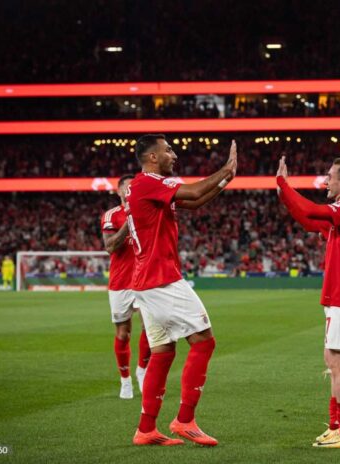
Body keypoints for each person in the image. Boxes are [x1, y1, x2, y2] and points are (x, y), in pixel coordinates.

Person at [127, 134, 237, 446]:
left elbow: (196, 199)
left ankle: (146, 428)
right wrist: (225, 169)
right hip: (160, 278)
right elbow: (193, 189)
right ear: (151, 157)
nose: (174, 155)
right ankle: (185, 420)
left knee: (163, 351)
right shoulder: (148, 181)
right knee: (204, 341)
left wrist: (225, 181)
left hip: (146, 280)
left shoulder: (148, 186)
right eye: (168, 150)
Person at [276, 156, 340, 448]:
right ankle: (336, 426)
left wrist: (283, 183)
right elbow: (307, 219)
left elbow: (312, 209)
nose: (325, 180)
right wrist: (285, 194)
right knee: (333, 362)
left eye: (330, 176)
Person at [101, 174, 151, 399]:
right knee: (123, 334)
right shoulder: (112, 215)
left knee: (151, 328)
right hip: (121, 282)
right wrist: (129, 223)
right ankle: (125, 381)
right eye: (127, 187)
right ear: (119, 191)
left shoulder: (149, 211)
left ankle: (142, 370)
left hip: (146, 279)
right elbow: (110, 247)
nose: (131, 191)